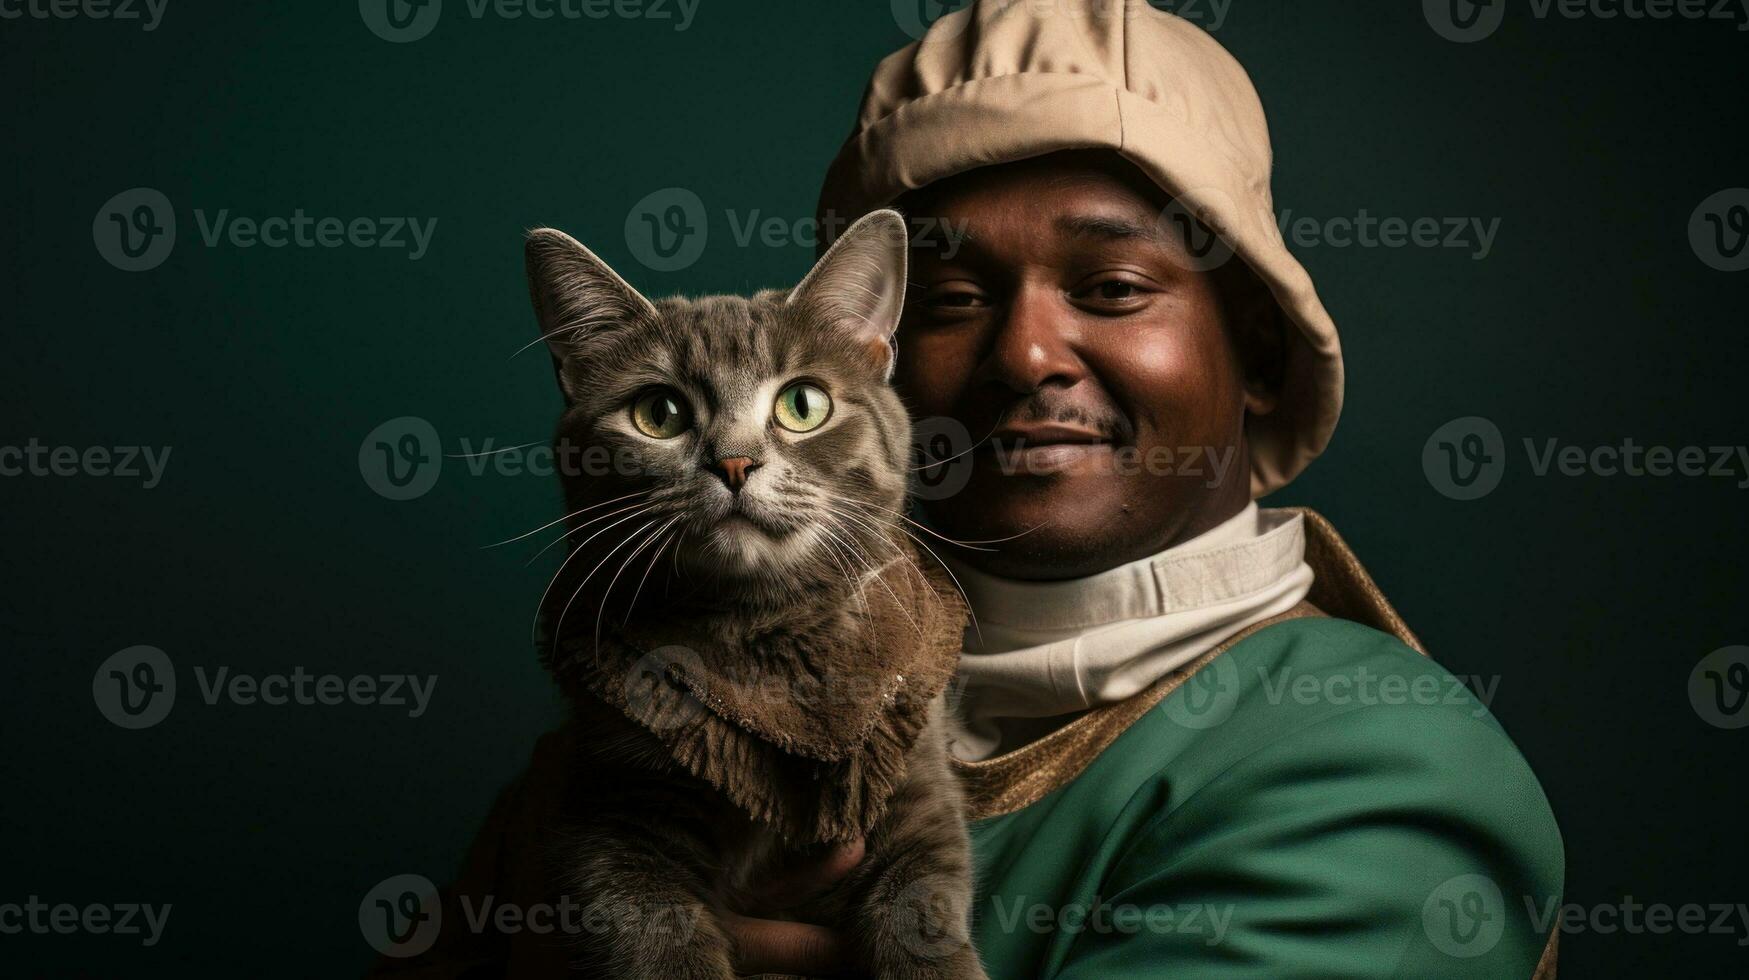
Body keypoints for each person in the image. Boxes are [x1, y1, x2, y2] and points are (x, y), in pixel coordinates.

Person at [382, 3, 1562, 977]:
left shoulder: (1368, 766)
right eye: (951, 301)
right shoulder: (650, 699)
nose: (1024, 354)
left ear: (1256, 351)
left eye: (1109, 285)